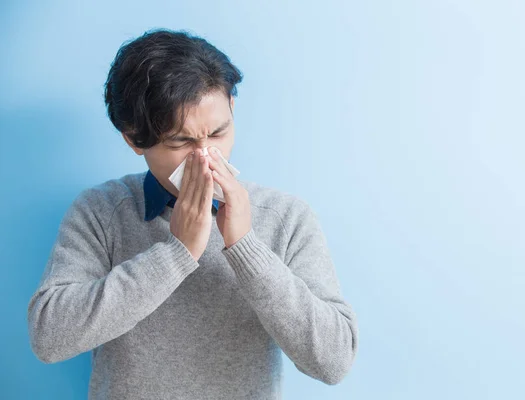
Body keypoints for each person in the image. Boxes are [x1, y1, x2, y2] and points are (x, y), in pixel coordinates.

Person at [27, 28, 358, 399]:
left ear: (232, 107)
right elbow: (49, 338)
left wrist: (247, 248)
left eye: (218, 133)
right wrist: (175, 253)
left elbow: (334, 362)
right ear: (134, 138)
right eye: (182, 142)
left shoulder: (285, 217)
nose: (206, 156)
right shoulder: (101, 212)